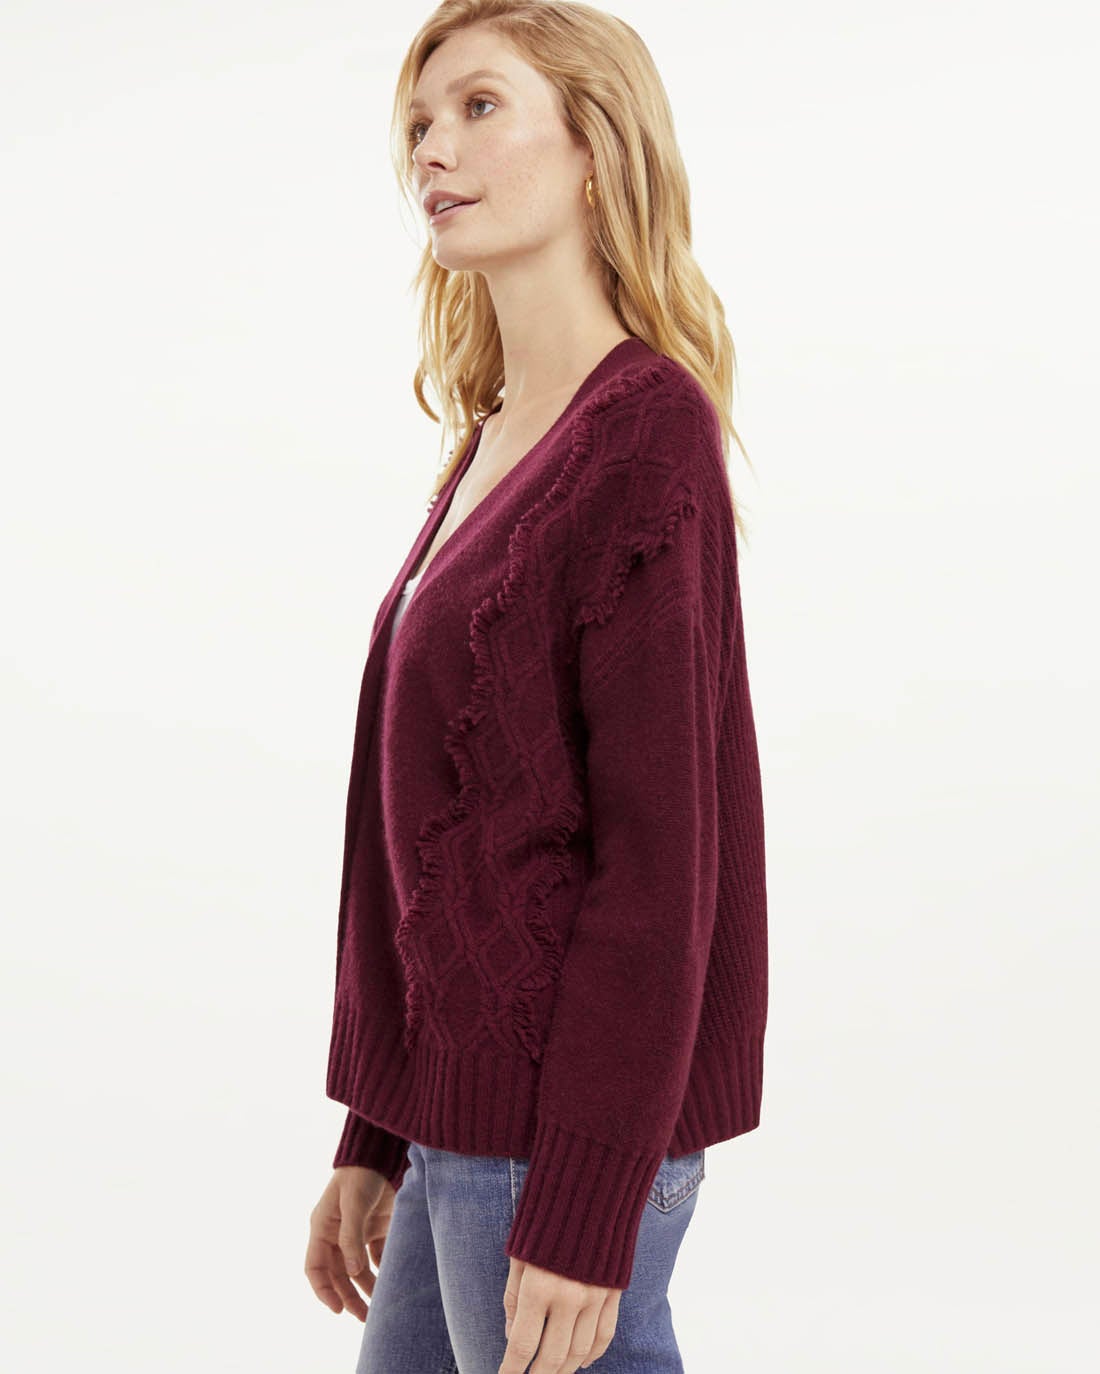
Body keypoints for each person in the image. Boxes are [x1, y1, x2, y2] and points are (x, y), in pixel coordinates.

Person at [303, 3, 769, 1371]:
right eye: (418, 123)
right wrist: (379, 1126)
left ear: (594, 148)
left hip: (554, 1145)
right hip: (461, 1130)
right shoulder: (497, 433)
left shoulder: (646, 433)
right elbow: (456, 834)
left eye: (479, 107)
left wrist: (584, 1198)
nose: (431, 150)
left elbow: (660, 861)